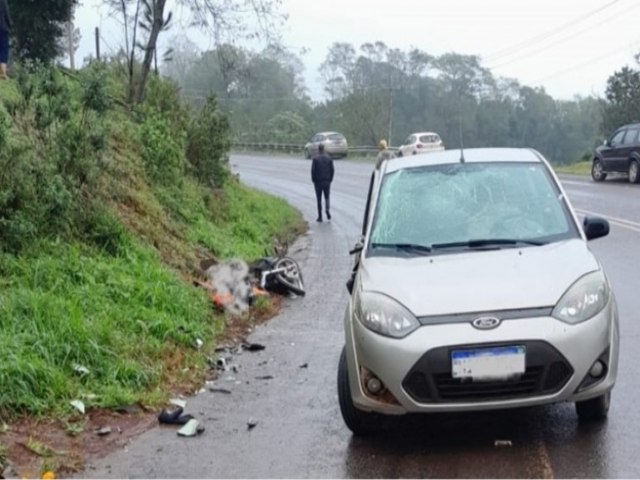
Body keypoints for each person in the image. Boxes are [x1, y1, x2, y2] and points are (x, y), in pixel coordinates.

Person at [311, 143, 334, 222]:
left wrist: (313, 180)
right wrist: (330, 179)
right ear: (324, 149)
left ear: (318, 149)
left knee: (319, 199)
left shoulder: (315, 159)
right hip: (327, 181)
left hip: (318, 182)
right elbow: (332, 170)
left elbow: (313, 171)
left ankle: (320, 216)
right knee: (327, 197)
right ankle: (327, 209)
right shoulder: (329, 158)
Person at [0, 0, 10, 80]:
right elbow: (7, 14)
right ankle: (3, 73)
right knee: (3, 50)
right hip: (3, 27)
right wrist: (10, 25)